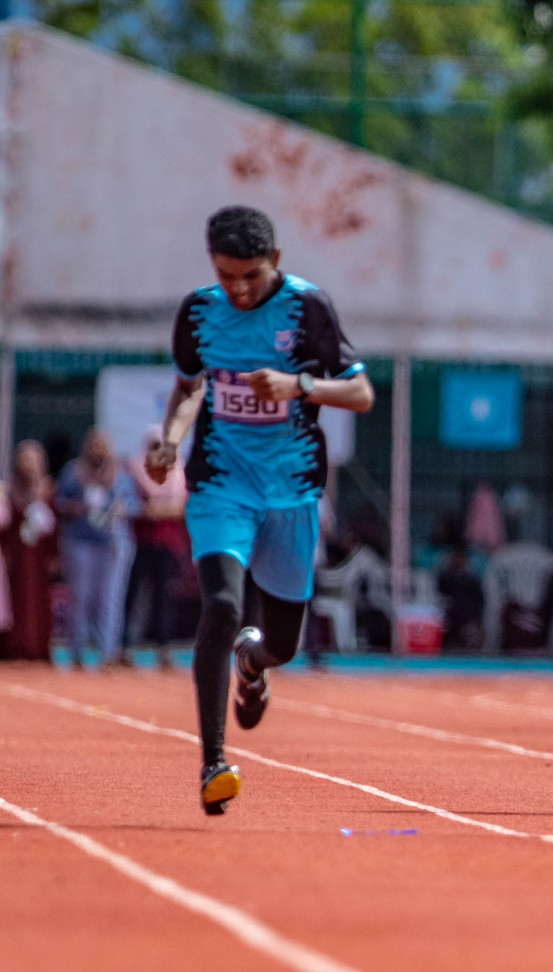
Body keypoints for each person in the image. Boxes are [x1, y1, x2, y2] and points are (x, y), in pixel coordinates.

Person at [146, 206, 375, 815]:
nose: (238, 290)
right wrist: (171, 439)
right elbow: (189, 385)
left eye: (249, 276)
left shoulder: (308, 309)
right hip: (221, 484)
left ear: (274, 262)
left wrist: (301, 386)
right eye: (226, 277)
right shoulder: (199, 312)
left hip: (292, 492)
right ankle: (212, 763)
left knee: (283, 644)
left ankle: (254, 663)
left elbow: (361, 392)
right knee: (220, 604)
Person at [55, 428, 141, 669]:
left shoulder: (121, 475)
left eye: (103, 445)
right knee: (81, 596)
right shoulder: (73, 472)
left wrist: (120, 510)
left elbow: (135, 506)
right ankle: (77, 650)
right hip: (80, 541)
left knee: (110, 598)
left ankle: (108, 652)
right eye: (94, 444)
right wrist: (75, 507)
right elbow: (59, 502)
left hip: (113, 543)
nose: (98, 450)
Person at [126, 428, 190, 669]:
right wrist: (156, 510)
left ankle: (164, 649)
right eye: (153, 446)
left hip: (168, 545)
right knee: (132, 597)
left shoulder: (179, 473)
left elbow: (182, 508)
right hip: (139, 544)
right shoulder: (134, 471)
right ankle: (125, 647)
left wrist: (156, 509)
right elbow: (130, 507)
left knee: (165, 599)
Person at [0, 441, 58, 662]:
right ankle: (14, 648)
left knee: (39, 600)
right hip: (16, 554)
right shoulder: (9, 489)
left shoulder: (48, 489)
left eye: (33, 459)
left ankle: (37, 648)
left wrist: (55, 555)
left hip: (40, 555)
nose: (29, 464)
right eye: (25, 458)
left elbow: (56, 528)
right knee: (15, 601)